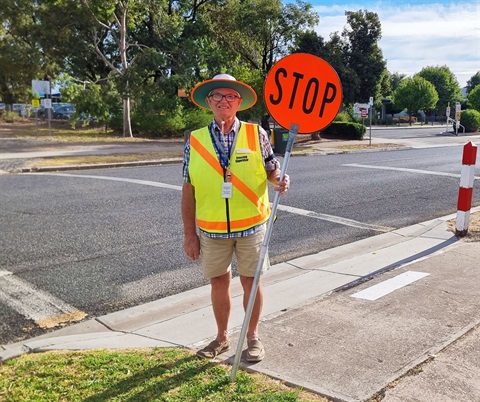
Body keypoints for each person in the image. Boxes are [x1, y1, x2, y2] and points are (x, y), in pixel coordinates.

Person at [181, 73, 290, 362]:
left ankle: (252, 337)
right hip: (211, 229)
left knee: (251, 282)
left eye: (230, 96)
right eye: (217, 96)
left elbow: (271, 169)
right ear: (209, 102)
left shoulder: (257, 134)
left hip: (252, 225)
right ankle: (221, 338)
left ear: (239, 102)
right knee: (218, 282)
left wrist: (279, 179)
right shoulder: (195, 140)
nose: (224, 101)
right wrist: (190, 235)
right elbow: (188, 189)